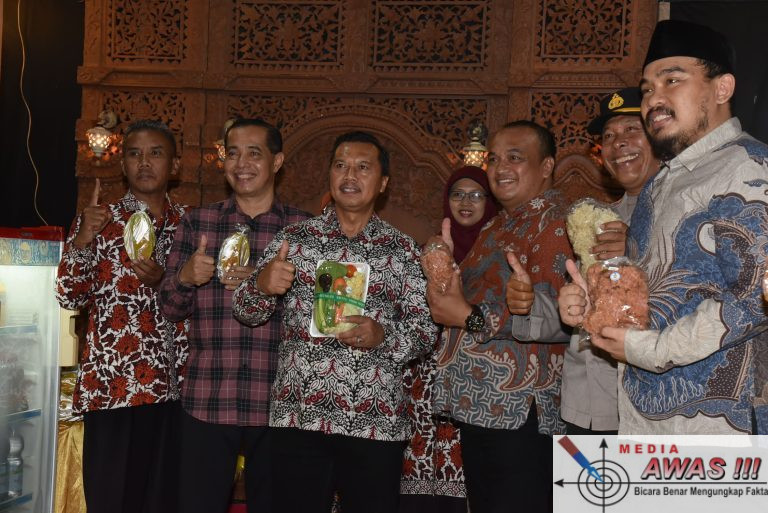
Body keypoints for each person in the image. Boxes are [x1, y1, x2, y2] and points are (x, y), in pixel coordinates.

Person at [567, 20, 768, 434]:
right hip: (647, 421)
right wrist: (593, 302)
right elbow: (651, 291)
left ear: (722, 88)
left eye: (672, 80)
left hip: (722, 432)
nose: (654, 99)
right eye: (647, 89)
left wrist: (651, 349)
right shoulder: (661, 183)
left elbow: (755, 299)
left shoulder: (748, 167)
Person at [232, 131, 438, 513]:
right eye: (341, 165)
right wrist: (261, 285)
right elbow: (246, 311)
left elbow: (425, 331)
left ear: (383, 183)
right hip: (299, 416)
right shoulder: (295, 239)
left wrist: (382, 335)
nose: (350, 175)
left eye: (363, 167)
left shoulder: (403, 249)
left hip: (373, 421)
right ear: (329, 175)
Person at [158, 118, 310, 513]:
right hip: (209, 396)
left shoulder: (304, 230)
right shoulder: (198, 222)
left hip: (280, 402)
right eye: (232, 153)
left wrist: (270, 283)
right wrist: (185, 277)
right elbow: (169, 308)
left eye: (253, 153)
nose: (241, 164)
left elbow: (317, 318)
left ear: (277, 161)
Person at [428, 121, 572, 513]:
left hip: (520, 412)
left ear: (546, 167)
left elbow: (561, 317)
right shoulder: (498, 223)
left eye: (515, 157)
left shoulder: (556, 222)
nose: (500, 167)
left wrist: (467, 317)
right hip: (482, 406)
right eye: (493, 159)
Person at [55, 120, 187, 513]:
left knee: (165, 501)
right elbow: (67, 294)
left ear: (174, 165)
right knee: (112, 500)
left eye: (155, 153)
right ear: (123, 165)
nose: (144, 162)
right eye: (134, 154)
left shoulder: (191, 226)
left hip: (177, 390)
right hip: (113, 388)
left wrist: (166, 282)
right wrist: (82, 240)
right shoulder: (100, 220)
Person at [557, 87, 661, 435]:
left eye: (632, 129)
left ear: (658, 134)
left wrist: (637, 249)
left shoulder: (685, 210)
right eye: (609, 136)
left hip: (655, 406)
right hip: (587, 403)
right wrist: (572, 302)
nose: (619, 143)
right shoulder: (593, 219)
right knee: (581, 476)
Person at [400, 166, 497, 513]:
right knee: (420, 474)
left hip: (478, 380)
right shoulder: (432, 250)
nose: (465, 202)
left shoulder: (498, 252)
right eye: (457, 194)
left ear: (490, 201)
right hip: (426, 380)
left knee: (474, 477)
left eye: (476, 195)